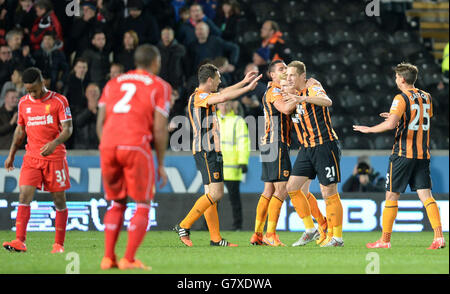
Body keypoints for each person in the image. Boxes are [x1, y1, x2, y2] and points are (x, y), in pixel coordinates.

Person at [354, 62, 445, 250]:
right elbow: (419, 118)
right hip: (422, 154)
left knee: (392, 195)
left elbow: (390, 125)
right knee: (426, 196)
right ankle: (439, 238)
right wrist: (398, 116)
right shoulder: (427, 96)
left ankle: (384, 240)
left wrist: (369, 129)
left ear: (402, 79)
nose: (395, 80)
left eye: (396, 77)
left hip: (403, 154)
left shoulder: (400, 97)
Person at [96, 44, 171, 270]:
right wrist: (161, 163)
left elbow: (101, 121)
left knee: (116, 203)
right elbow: (159, 129)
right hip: (136, 146)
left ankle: (108, 258)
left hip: (108, 144)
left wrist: (107, 144)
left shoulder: (113, 83)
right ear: (155, 62)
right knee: (142, 204)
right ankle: (128, 259)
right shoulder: (160, 86)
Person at [174, 63, 261, 247]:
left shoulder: (206, 96)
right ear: (210, 80)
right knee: (216, 193)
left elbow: (224, 92)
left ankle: (215, 239)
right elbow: (224, 95)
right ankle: (184, 225)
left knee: (210, 195)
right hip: (206, 150)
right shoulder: (198, 97)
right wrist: (247, 88)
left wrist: (244, 81)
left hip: (212, 150)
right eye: (218, 79)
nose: (220, 82)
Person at [250, 60, 325, 247]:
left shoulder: (278, 90)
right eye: (281, 69)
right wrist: (299, 95)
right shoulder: (275, 91)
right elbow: (284, 108)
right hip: (276, 142)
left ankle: (258, 234)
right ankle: (271, 234)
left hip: (269, 143)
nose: (285, 72)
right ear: (272, 75)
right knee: (284, 189)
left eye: (287, 69)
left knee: (269, 190)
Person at [2, 67, 73, 253]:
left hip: (54, 157)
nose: (32, 93)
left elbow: (68, 129)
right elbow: (20, 130)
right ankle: (19, 241)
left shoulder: (59, 101)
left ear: (43, 83)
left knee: (59, 200)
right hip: (31, 157)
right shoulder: (24, 103)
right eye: (28, 90)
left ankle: (58, 244)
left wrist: (54, 143)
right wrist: (11, 154)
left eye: (35, 89)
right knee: (24, 196)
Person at [284, 60, 343, 247]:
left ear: (303, 76)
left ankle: (336, 237)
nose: (289, 79)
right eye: (287, 76)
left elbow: (328, 102)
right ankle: (311, 229)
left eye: (292, 75)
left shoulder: (312, 88)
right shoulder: (292, 94)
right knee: (293, 187)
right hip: (306, 148)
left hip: (325, 144)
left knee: (328, 191)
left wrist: (304, 99)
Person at [216, 100, 250, 231]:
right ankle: (207, 226)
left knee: (234, 199)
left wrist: (243, 161)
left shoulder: (238, 121)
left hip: (232, 167)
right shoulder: (212, 120)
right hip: (216, 165)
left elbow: (244, 142)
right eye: (221, 104)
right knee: (212, 199)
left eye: (226, 104)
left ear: (231, 105)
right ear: (217, 105)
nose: (224, 107)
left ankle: (237, 226)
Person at [73, 83, 100, 149]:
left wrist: (96, 112)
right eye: (90, 92)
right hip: (80, 147)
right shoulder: (79, 107)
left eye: (95, 92)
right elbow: (77, 122)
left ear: (99, 94)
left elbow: (105, 125)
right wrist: (89, 110)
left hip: (98, 147)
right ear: (86, 94)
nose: (93, 94)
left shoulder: (104, 109)